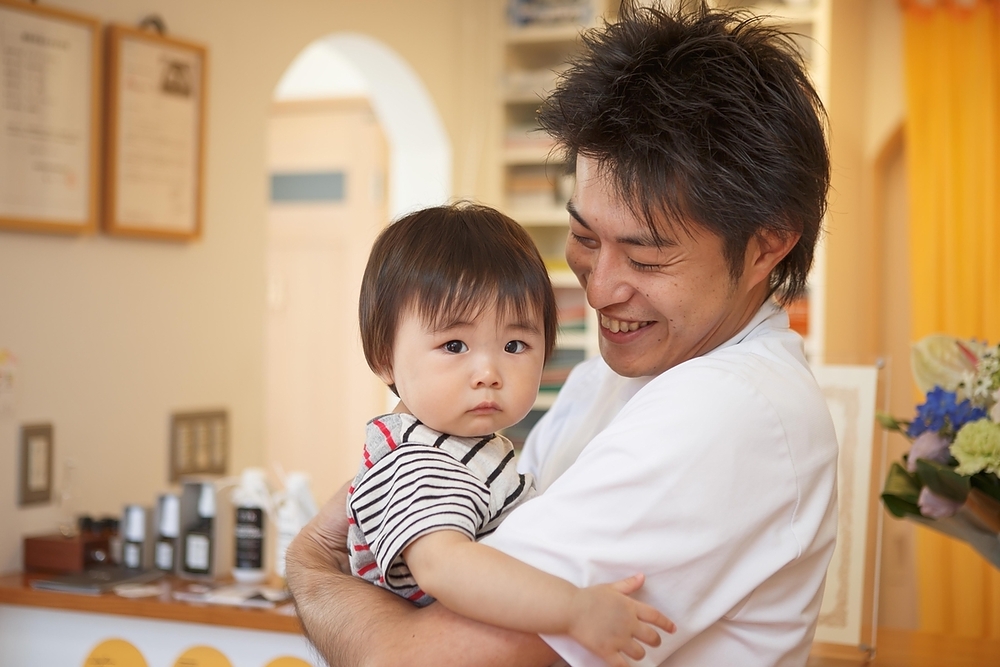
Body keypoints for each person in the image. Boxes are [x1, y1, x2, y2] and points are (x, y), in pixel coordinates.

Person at [286, 2, 838, 666]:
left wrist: (311, 566)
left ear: (766, 245)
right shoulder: (617, 372)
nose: (599, 289)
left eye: (644, 255)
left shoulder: (729, 410)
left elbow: (413, 657)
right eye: (583, 236)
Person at [345, 203, 675, 666]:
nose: (488, 372)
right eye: (454, 345)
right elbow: (443, 565)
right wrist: (573, 610)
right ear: (384, 356)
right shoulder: (418, 462)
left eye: (515, 345)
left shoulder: (464, 446)